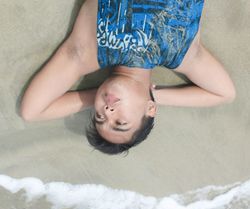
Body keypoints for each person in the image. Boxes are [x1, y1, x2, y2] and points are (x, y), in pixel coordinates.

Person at [20, 0, 236, 155]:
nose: (107, 111)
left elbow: (31, 111)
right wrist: (153, 96)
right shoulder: (182, 54)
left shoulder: (85, 53)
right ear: (150, 110)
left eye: (99, 117)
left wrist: (97, 96)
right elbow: (224, 94)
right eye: (120, 122)